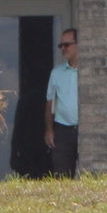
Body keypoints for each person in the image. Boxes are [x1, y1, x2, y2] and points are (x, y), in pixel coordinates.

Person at [44, 27, 81, 176]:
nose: (63, 49)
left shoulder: (90, 72)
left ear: (79, 44)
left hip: (86, 130)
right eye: (61, 45)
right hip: (63, 130)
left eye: (67, 45)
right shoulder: (56, 72)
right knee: (62, 173)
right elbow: (49, 103)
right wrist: (49, 130)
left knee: (92, 173)